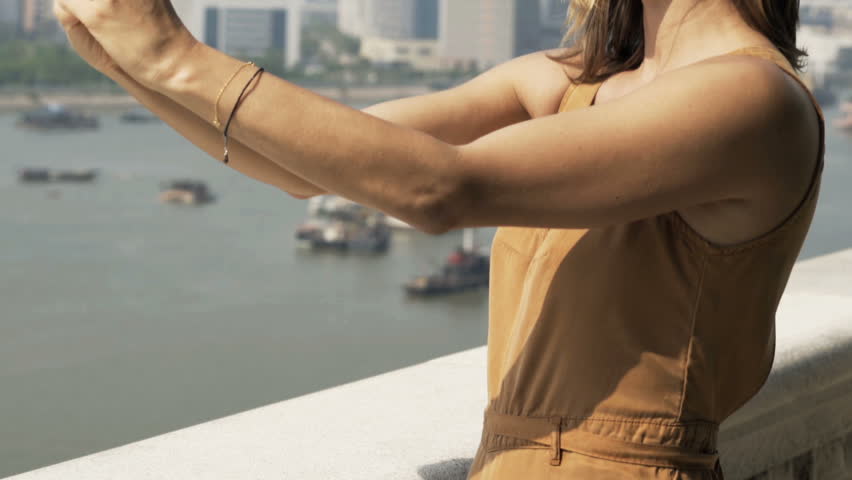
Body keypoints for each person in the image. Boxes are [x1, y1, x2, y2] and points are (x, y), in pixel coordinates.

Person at [53, 0, 823, 478]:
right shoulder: (566, 83)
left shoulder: (751, 99)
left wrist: (175, 55)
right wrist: (129, 63)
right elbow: (302, 169)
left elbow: (440, 188)